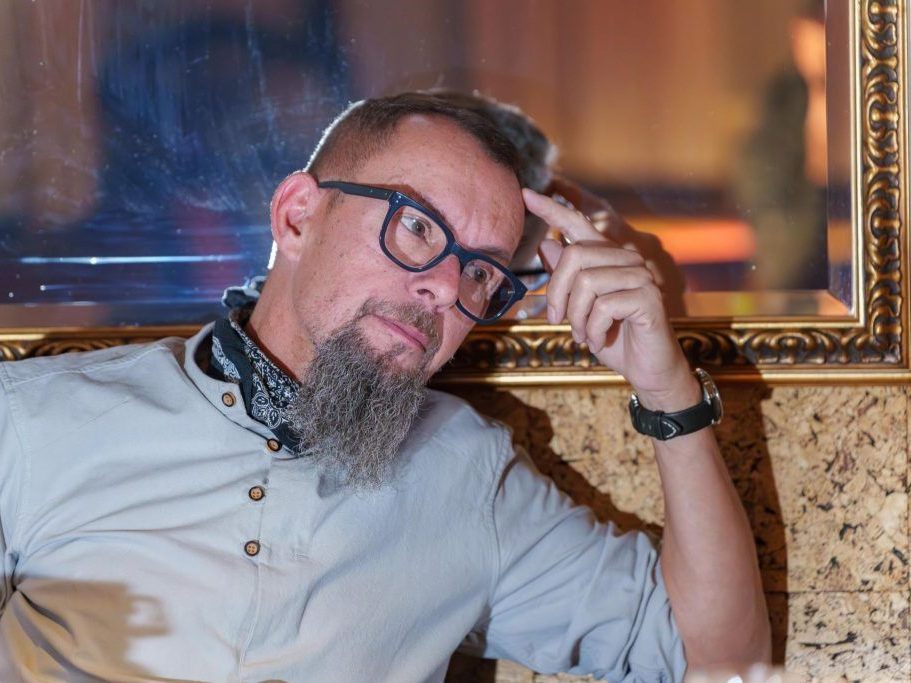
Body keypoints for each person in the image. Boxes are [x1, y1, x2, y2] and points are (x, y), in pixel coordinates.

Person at [0, 92, 769, 682]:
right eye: (417, 225)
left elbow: (720, 659)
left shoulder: (468, 475)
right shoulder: (32, 420)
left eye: (480, 270)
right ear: (297, 217)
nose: (445, 287)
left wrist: (665, 388)